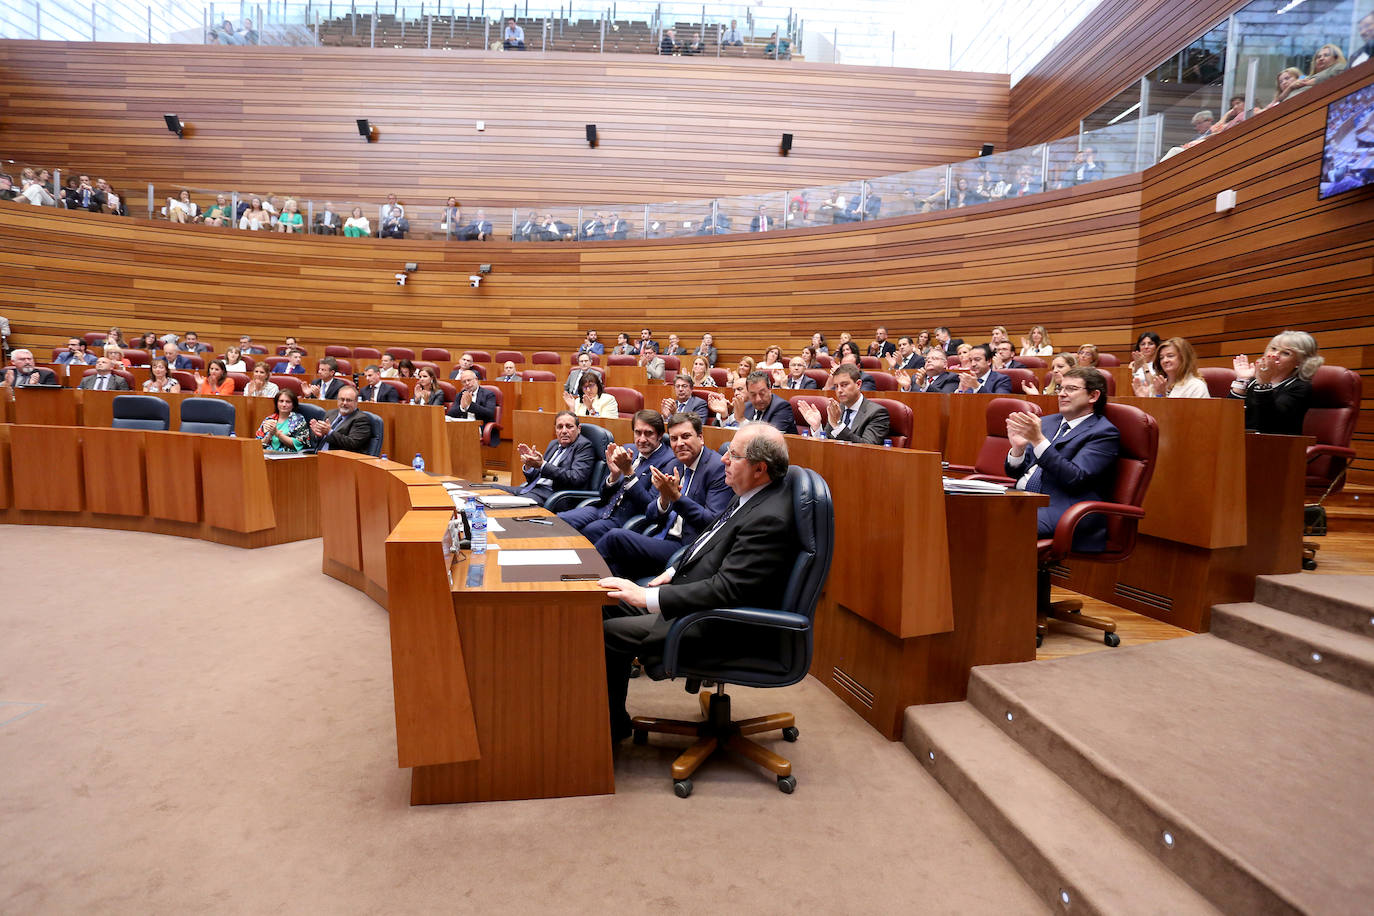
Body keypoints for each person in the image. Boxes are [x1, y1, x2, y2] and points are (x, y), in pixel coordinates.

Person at [599, 423, 797, 742]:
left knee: (607, 632)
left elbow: (727, 589)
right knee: (606, 604)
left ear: (760, 468)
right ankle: (611, 719)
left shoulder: (769, 518)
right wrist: (674, 571)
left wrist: (648, 598)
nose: (723, 461)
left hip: (717, 624)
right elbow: (709, 539)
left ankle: (606, 731)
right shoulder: (750, 494)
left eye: (733, 455)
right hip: (695, 600)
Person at [594, 411, 733, 580]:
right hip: (660, 538)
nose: (679, 443)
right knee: (614, 569)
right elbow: (651, 514)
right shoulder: (674, 464)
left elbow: (712, 522)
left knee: (615, 538)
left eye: (686, 436)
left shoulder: (716, 469)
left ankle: (579, 573)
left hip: (687, 547)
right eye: (674, 439)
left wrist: (676, 497)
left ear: (701, 438)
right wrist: (664, 500)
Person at [1005, 367, 1121, 549]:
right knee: (966, 510)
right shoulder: (1048, 422)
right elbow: (1015, 472)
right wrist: (1018, 450)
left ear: (1093, 396)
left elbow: (1075, 479)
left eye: (1071, 389)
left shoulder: (1104, 433)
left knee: (1000, 524)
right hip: (1022, 499)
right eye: (1060, 388)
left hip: (1063, 508)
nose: (1062, 394)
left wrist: (1038, 441)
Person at [558, 410, 674, 541]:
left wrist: (629, 473)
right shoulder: (629, 449)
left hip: (626, 519)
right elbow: (602, 494)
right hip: (602, 509)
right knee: (560, 521)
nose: (642, 439)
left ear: (660, 435)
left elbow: (650, 507)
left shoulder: (668, 461)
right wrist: (613, 476)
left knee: (586, 533)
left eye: (648, 434)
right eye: (637, 433)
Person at [1229, 330, 1323, 435]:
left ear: (1299, 362)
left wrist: (1264, 384)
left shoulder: (1299, 387)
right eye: (1273, 349)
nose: (1275, 355)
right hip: (1242, 442)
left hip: (1278, 446)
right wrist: (1242, 380)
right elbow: (1228, 417)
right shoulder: (1253, 381)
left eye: (1285, 353)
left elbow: (1270, 423)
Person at [504, 411, 596, 502]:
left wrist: (542, 465)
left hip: (554, 495)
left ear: (578, 429)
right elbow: (536, 477)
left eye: (569, 426)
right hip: (532, 489)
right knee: (492, 489)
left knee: (510, 503)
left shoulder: (584, 446)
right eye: (560, 427)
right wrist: (530, 464)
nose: (564, 431)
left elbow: (576, 478)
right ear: (555, 429)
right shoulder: (554, 444)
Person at [797, 363, 890, 443]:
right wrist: (817, 428)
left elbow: (867, 447)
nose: (839, 390)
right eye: (836, 386)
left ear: (858, 384)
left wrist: (838, 425)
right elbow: (827, 443)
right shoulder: (837, 408)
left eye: (844, 385)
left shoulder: (877, 412)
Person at [710, 371, 798, 434]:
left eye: (762, 393)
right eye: (753, 394)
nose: (758, 399)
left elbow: (770, 440)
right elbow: (731, 428)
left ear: (770, 389)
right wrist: (724, 415)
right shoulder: (748, 406)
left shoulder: (782, 407)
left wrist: (742, 420)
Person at [1134, 337, 1207, 399]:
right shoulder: (1157, 384)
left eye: (1170, 356)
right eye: (1161, 357)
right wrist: (1144, 400)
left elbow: (1188, 415)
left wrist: (1161, 396)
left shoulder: (1196, 386)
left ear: (1184, 358)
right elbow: (1150, 414)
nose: (1165, 360)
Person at [309, 385, 372, 452]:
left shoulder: (361, 419)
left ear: (356, 402)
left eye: (348, 400)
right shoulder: (330, 413)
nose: (344, 403)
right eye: (342, 399)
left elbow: (353, 444)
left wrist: (329, 432)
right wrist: (317, 434)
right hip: (317, 455)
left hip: (338, 459)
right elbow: (317, 440)